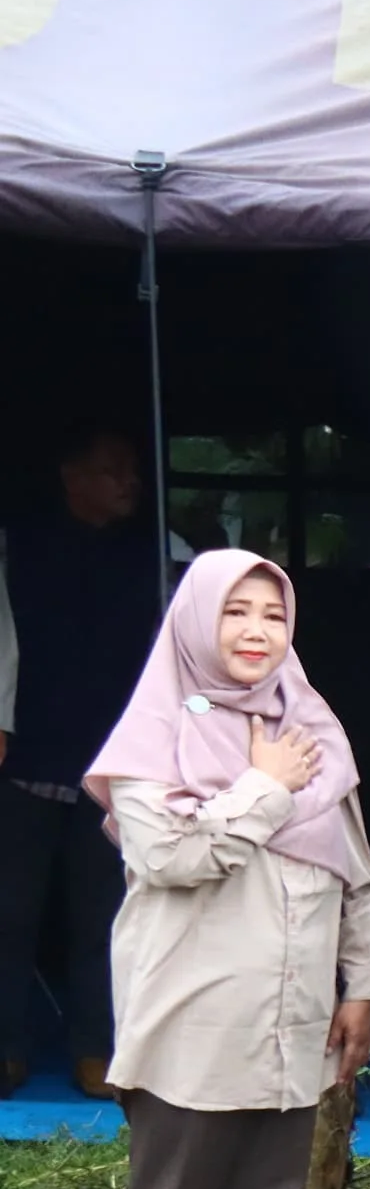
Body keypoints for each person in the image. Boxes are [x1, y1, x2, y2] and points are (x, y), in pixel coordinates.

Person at [82, 552, 370, 1189]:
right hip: (192, 1019)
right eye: (236, 612)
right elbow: (170, 858)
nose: (257, 631)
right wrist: (264, 788)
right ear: (194, 623)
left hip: (291, 1021)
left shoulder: (310, 729)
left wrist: (363, 980)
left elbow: (356, 872)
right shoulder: (156, 734)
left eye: (274, 614)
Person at [1, 426, 168, 1099]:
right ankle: (6, 1047)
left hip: (113, 764)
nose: (129, 482)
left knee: (106, 913)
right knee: (11, 912)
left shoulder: (146, 559)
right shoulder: (22, 548)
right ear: (73, 477)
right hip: (26, 755)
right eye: (113, 469)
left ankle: (97, 1049)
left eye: (131, 470)